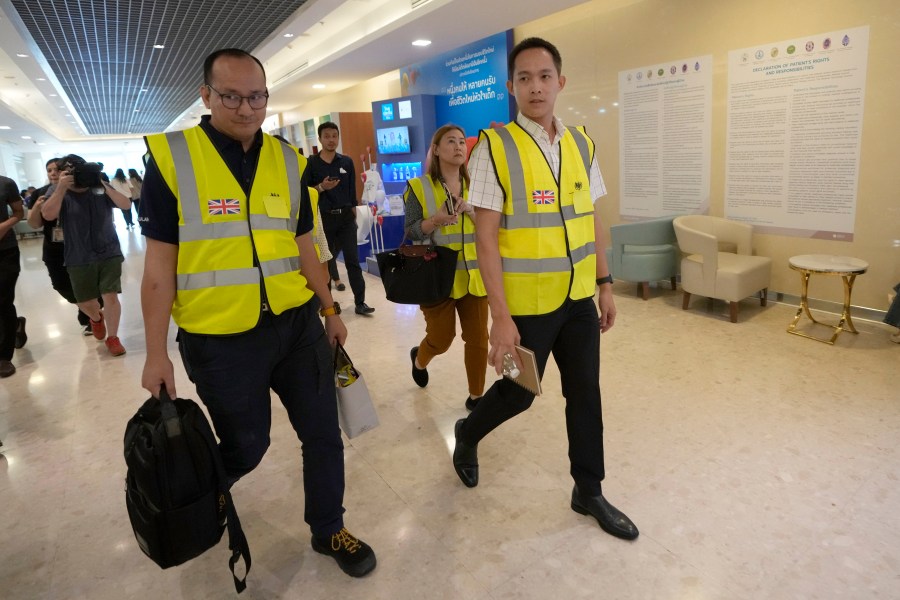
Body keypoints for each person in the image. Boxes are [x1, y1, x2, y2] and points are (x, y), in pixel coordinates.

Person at [139, 48, 376, 579]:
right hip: (220, 338)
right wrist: (156, 353)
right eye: (231, 97)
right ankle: (191, 506)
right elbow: (159, 266)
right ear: (206, 96)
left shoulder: (290, 162)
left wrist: (330, 308)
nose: (246, 109)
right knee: (248, 446)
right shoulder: (173, 160)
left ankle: (328, 526)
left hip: (295, 326)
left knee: (322, 434)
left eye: (256, 97)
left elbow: (303, 244)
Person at [452, 37, 639, 541]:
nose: (535, 86)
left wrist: (605, 284)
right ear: (510, 87)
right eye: (524, 78)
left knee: (585, 394)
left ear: (561, 81)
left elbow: (593, 218)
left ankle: (589, 489)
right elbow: (485, 238)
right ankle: (467, 434)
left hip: (579, 299)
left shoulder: (582, 144)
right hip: (525, 307)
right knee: (519, 392)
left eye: (544, 76)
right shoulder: (494, 148)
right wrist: (500, 318)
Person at [404, 124, 488, 411]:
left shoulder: (479, 186)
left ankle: (476, 396)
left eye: (462, 142)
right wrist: (437, 219)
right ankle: (420, 357)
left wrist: (472, 211)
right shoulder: (418, 187)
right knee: (442, 339)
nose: (458, 147)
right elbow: (413, 231)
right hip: (436, 277)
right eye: (450, 142)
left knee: (478, 339)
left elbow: (494, 228)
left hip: (474, 277)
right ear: (436, 150)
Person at [40, 154, 132, 356]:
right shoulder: (56, 190)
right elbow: (47, 215)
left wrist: (101, 182)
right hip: (78, 255)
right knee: (85, 301)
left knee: (110, 295)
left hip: (109, 250)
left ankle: (113, 338)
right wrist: (62, 188)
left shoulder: (99, 187)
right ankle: (96, 318)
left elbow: (126, 205)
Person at [306, 122, 375, 315]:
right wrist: (321, 187)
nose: (331, 140)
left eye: (334, 136)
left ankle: (360, 302)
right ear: (320, 139)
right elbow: (306, 192)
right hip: (324, 219)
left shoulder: (346, 162)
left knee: (353, 260)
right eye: (327, 136)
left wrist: (354, 215)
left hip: (345, 218)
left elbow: (353, 191)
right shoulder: (311, 163)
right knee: (325, 263)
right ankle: (327, 305)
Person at [28, 158, 100, 335]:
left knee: (89, 285)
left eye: (57, 170)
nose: (53, 173)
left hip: (82, 247)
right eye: (49, 170)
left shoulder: (82, 188)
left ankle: (92, 319)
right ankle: (93, 313)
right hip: (55, 250)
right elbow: (35, 224)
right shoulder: (41, 193)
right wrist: (37, 208)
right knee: (61, 285)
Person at [0, 172, 25, 377]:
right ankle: (15, 324)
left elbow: (19, 212)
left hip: (4, 250)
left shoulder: (6, 183)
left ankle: (3, 357)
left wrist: (4, 226)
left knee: (2, 300)